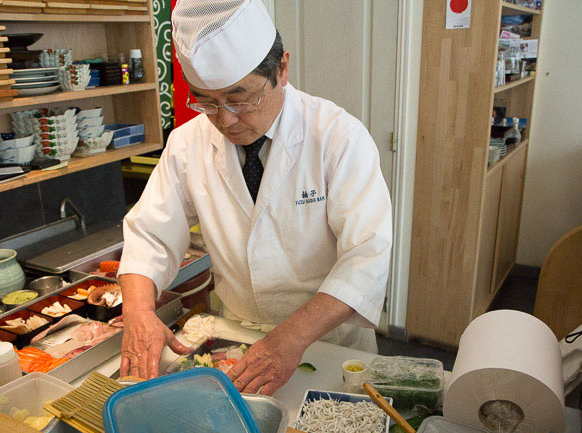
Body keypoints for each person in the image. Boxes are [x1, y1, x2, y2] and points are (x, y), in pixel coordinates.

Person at [118, 0, 392, 395]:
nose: (225, 120)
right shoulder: (187, 144)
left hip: (329, 343)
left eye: (240, 97)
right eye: (206, 101)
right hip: (234, 336)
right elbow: (150, 235)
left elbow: (366, 256)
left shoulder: (338, 137)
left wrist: (289, 339)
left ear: (282, 68)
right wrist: (138, 311)